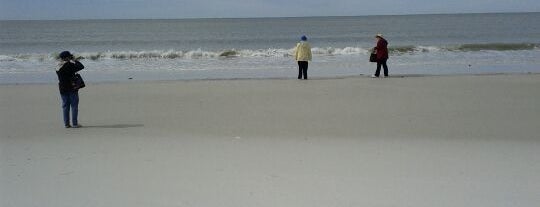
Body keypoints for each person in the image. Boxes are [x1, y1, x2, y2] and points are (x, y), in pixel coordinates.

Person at [56, 51, 84, 128]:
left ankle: (66, 124)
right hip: (72, 87)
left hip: (62, 88)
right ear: (67, 57)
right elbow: (81, 66)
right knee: (74, 106)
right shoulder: (70, 65)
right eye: (69, 56)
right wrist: (74, 60)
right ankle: (75, 123)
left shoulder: (58, 66)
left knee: (65, 106)